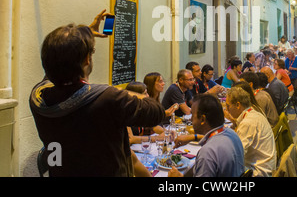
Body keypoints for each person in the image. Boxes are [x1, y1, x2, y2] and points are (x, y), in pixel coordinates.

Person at [29, 10, 165, 177]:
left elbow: (56, 63)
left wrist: (85, 32)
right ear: (87, 59)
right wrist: (133, 92)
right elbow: (156, 113)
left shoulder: (38, 97)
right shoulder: (109, 98)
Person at [168, 94, 245, 177]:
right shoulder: (231, 133)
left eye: (193, 116)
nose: (190, 120)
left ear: (202, 119)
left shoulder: (208, 152)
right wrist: (194, 137)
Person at [225, 87, 277, 177]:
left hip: (259, 171)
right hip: (266, 165)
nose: (226, 109)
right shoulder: (252, 113)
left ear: (238, 105)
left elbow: (238, 154)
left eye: (228, 106)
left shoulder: (247, 123)